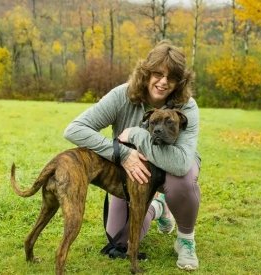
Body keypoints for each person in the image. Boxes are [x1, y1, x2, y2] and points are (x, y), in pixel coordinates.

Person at [63, 40, 201, 271]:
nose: (163, 81)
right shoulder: (122, 95)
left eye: (172, 77)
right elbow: (74, 129)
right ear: (146, 72)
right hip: (134, 171)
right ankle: (159, 208)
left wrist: (138, 134)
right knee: (120, 241)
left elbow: (179, 164)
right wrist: (122, 153)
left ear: (180, 82)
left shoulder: (187, 107)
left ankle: (186, 239)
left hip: (174, 166)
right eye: (157, 73)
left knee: (182, 180)